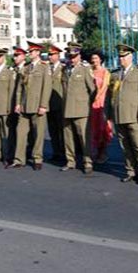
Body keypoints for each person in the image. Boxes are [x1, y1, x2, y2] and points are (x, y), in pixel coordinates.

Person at [109, 44, 138, 184]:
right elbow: (111, 96)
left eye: (124, 56)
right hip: (119, 115)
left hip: (134, 115)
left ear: (130, 56)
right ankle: (130, 170)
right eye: (119, 56)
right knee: (125, 145)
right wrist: (109, 115)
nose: (121, 59)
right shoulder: (115, 74)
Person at [13, 42, 50, 170]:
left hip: (37, 105)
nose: (30, 54)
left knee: (38, 134)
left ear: (38, 52)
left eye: (32, 51)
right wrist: (18, 103)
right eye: (29, 52)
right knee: (21, 132)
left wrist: (43, 105)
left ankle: (37, 158)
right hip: (24, 105)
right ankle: (19, 159)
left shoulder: (44, 67)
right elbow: (19, 87)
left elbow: (47, 88)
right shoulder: (26, 68)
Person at [61, 43, 95, 174]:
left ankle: (88, 162)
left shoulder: (85, 69)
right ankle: (70, 161)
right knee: (68, 137)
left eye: (74, 56)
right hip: (67, 108)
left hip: (81, 109)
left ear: (79, 55)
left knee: (84, 137)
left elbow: (92, 90)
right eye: (70, 56)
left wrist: (87, 104)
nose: (72, 59)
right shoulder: (65, 69)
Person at [88, 50, 113, 164]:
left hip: (101, 102)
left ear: (101, 59)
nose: (94, 60)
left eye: (96, 58)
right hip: (90, 103)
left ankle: (103, 152)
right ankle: (94, 151)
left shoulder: (105, 72)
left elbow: (104, 87)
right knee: (93, 128)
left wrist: (96, 97)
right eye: (93, 58)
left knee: (102, 127)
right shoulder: (89, 71)